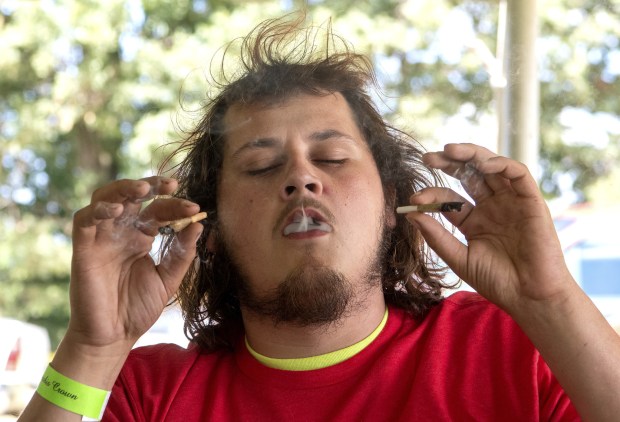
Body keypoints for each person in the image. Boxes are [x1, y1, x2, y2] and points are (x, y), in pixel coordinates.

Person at [19, 14, 620, 422]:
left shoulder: (518, 348)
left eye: (332, 157)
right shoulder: (144, 394)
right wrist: (93, 348)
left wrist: (549, 300)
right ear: (213, 232)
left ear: (392, 207)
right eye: (259, 167)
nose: (302, 178)